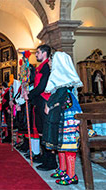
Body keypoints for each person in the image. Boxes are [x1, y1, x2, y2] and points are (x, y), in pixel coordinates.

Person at [43, 51, 83, 185]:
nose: (49, 63)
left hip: (68, 113)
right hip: (62, 113)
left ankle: (71, 175)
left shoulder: (65, 83)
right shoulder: (61, 83)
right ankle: (62, 169)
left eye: (51, 60)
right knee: (60, 142)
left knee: (67, 143)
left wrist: (50, 105)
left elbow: (60, 97)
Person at [28, 44, 57, 171]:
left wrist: (29, 94)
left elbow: (42, 86)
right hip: (39, 101)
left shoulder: (46, 66)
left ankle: (51, 161)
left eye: (38, 52)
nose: (36, 55)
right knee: (40, 129)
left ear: (44, 53)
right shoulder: (41, 67)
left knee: (46, 131)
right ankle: (44, 155)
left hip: (45, 100)